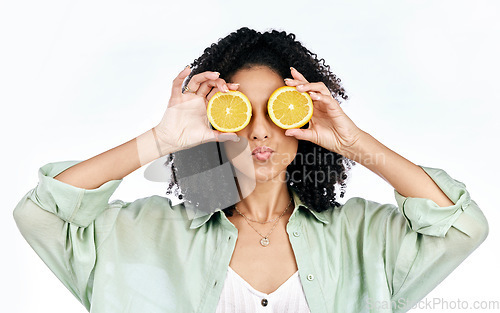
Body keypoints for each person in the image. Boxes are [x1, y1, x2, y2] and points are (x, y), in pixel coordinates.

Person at [13, 27, 488, 313]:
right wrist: (160, 140)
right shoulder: (144, 234)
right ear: (216, 124)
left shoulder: (361, 236)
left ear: (301, 120)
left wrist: (355, 143)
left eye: (277, 112)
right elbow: (40, 214)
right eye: (240, 112)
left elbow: (462, 227)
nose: (260, 132)